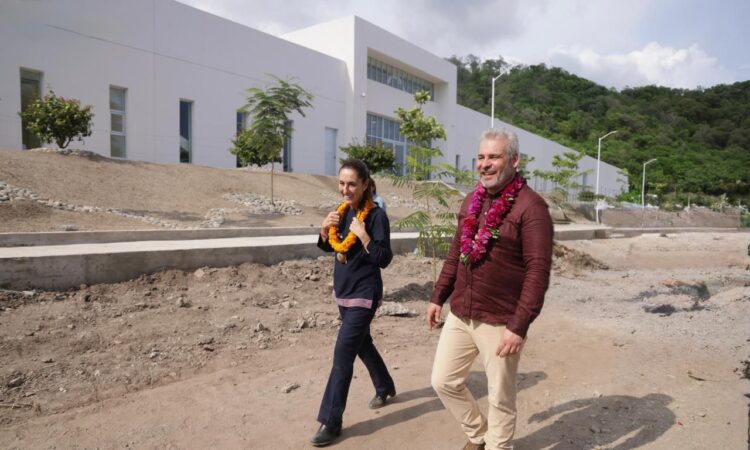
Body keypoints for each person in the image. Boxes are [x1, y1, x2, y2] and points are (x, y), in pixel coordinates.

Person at [428, 128, 553, 450]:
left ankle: (498, 446)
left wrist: (518, 325)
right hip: (462, 311)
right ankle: (479, 435)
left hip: (500, 320)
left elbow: (538, 272)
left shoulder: (532, 208)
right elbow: (455, 253)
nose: (484, 164)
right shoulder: (471, 200)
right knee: (443, 381)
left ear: (514, 160)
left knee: (500, 397)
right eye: (481, 157)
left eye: (494, 157)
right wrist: (438, 296)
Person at [311, 159, 396, 447]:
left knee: (342, 354)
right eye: (341, 183)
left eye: (351, 184)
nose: (345, 189)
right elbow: (332, 247)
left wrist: (364, 236)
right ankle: (384, 385)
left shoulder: (376, 216)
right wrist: (324, 231)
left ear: (364, 184)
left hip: (365, 293)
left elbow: (384, 258)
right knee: (362, 344)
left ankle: (331, 420)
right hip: (344, 291)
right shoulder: (341, 211)